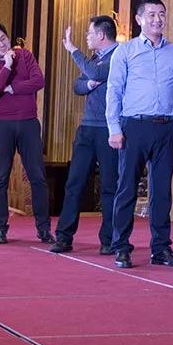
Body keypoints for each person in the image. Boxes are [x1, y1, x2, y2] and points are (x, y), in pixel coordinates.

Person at [106, 0, 173, 269]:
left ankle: (161, 249)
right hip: (134, 126)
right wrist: (114, 128)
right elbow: (114, 90)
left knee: (162, 192)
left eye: (162, 14)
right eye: (152, 14)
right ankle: (121, 246)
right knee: (127, 188)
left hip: (166, 127)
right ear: (139, 19)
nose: (158, 19)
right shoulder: (125, 51)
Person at [50, 16, 120, 255]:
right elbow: (77, 85)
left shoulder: (118, 56)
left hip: (110, 129)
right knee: (74, 183)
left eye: (89, 33)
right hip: (87, 128)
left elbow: (96, 73)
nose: (87, 37)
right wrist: (89, 84)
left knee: (109, 186)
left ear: (101, 35)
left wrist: (72, 49)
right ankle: (64, 236)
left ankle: (109, 240)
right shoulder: (94, 58)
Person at [0, 22, 52, 244]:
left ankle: (44, 229)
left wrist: (11, 87)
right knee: (0, 177)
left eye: (3, 39)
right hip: (2, 124)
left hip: (28, 123)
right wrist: (7, 66)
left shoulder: (25, 56)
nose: (1, 44)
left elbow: (38, 81)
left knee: (37, 176)